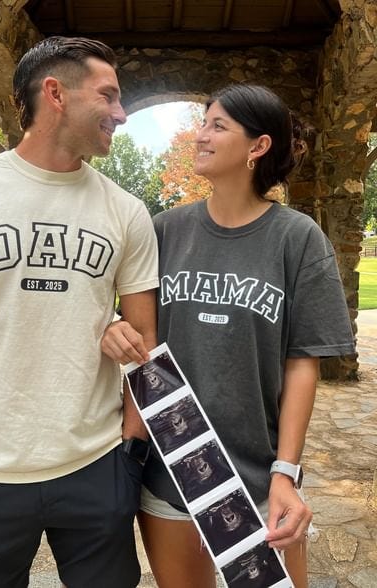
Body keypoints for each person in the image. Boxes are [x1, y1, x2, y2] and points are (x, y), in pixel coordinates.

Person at [0, 36, 159, 588]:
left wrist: (132, 448)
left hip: (96, 464)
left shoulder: (126, 211)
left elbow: (145, 338)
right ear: (56, 94)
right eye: (109, 95)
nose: (121, 113)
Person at [101, 83, 355, 588]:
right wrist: (114, 329)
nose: (200, 135)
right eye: (203, 123)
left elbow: (302, 364)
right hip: (171, 469)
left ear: (258, 146)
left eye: (217, 126)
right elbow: (134, 326)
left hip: (260, 478)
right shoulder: (164, 230)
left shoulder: (298, 238)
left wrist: (286, 472)